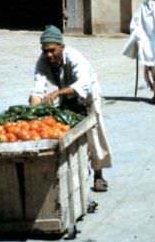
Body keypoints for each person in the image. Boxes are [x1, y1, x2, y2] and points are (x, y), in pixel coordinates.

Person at [29, 24, 112, 192]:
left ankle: (98, 175)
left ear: (62, 46)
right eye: (45, 51)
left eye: (52, 50)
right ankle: (74, 176)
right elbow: (38, 89)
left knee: (94, 134)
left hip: (88, 95)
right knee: (68, 134)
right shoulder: (43, 61)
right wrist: (33, 114)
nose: (49, 55)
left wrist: (58, 93)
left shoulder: (74, 57)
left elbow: (83, 84)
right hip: (66, 94)